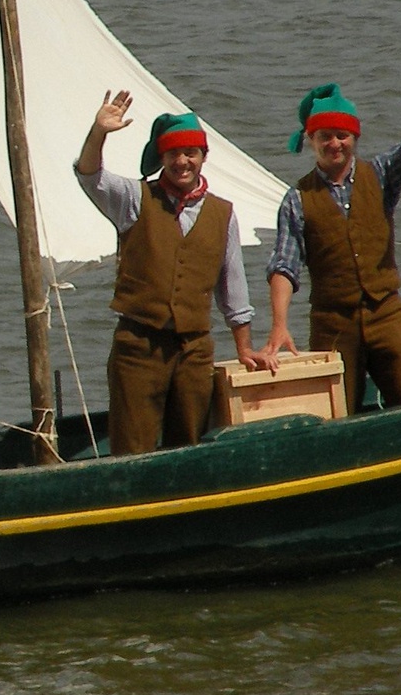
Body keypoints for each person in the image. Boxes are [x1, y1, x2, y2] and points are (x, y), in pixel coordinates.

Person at [260, 58, 401, 412]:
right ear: (311, 140)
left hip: (387, 313)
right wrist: (280, 326)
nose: (335, 144)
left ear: (355, 137)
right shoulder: (297, 199)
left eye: (342, 135)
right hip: (332, 324)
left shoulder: (379, 174)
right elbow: (284, 266)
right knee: (334, 418)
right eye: (325, 137)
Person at [76, 91, 267, 456]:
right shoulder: (135, 199)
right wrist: (98, 133)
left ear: (203, 157)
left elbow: (233, 285)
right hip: (138, 347)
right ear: (161, 158)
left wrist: (245, 347)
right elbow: (90, 176)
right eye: (173, 154)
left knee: (190, 449)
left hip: (194, 351)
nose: (182, 162)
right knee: (131, 452)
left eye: (190, 153)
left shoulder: (223, 213)